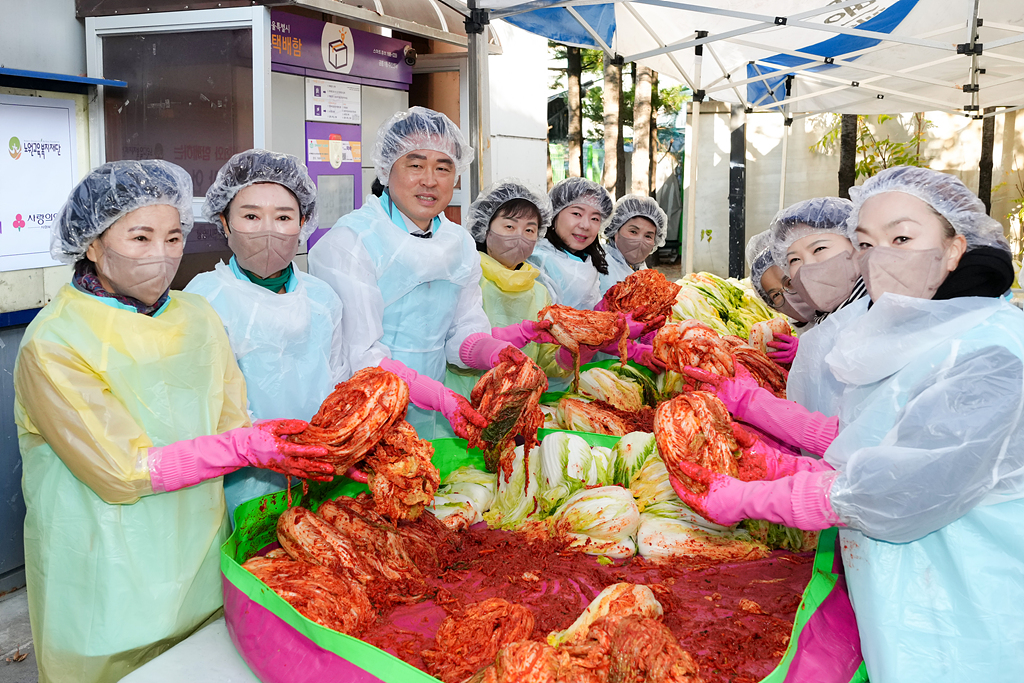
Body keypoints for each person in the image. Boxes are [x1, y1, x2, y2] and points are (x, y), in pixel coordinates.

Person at [672, 166, 1022, 682]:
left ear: (954, 247)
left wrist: (752, 495)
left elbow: (891, 491)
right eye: (866, 243)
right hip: (906, 588)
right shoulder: (919, 325)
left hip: (966, 595)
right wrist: (765, 433)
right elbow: (868, 436)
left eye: (902, 237)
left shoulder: (991, 351)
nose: (882, 256)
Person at [15, 160, 332, 683]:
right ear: (93, 243)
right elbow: (121, 473)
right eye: (140, 237)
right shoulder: (55, 342)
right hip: (105, 566)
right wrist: (245, 449)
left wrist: (280, 445)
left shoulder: (196, 317)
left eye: (174, 236)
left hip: (197, 557)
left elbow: (232, 420)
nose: (161, 255)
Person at [308, 107, 514, 439]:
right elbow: (361, 357)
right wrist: (434, 394)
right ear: (387, 169)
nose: (430, 180)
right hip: (365, 416)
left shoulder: (458, 242)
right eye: (415, 164)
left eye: (443, 167)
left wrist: (494, 352)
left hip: (439, 420)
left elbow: (461, 329)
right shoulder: (351, 242)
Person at [184, 150, 354, 521]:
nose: (268, 230)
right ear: (224, 223)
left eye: (283, 217)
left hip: (321, 473)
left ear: (303, 223)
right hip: (238, 480)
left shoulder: (322, 299)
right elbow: (198, 408)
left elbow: (340, 383)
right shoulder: (202, 299)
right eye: (250, 216)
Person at [445, 179, 569, 396]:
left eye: (530, 230)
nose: (520, 237)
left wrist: (574, 352)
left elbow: (546, 361)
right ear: (485, 228)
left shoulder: (539, 293)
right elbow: (456, 343)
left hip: (516, 406)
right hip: (464, 401)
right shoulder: (467, 278)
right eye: (509, 226)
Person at [528, 177, 613, 310]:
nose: (585, 225)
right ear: (554, 213)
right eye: (577, 213)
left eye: (595, 218)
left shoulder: (588, 259)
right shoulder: (539, 261)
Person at [598, 194, 668, 294]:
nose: (640, 241)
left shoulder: (644, 271)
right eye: (633, 232)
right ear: (615, 230)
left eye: (648, 236)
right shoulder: (597, 264)